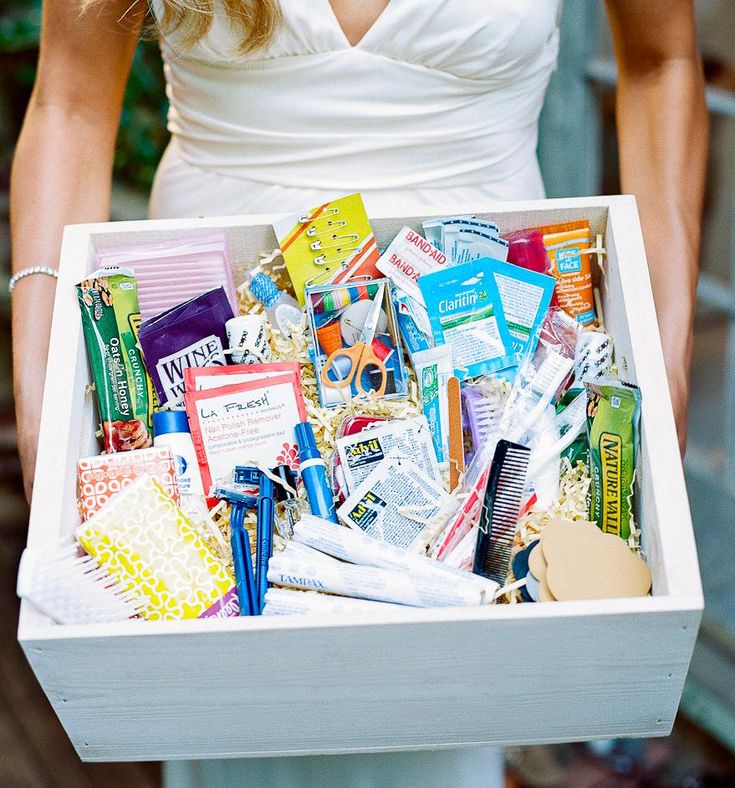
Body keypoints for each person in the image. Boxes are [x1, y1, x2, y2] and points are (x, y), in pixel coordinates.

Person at [9, 1, 707, 786]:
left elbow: (662, 61)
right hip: (221, 346)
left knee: (451, 694)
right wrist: (47, 409)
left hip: (488, 363)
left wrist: (664, 356)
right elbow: (68, 99)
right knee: (230, 689)